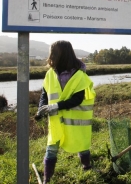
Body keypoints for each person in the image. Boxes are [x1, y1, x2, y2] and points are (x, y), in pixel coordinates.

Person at [35, 40, 96, 183]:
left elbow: (78, 99)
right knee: (51, 148)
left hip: (77, 120)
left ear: (64, 55)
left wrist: (55, 106)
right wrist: (40, 109)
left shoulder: (80, 75)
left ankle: (87, 166)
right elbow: (45, 94)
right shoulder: (50, 74)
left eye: (54, 53)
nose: (51, 56)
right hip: (56, 119)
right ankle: (46, 180)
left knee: (82, 144)